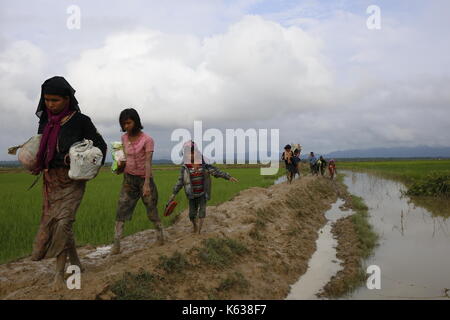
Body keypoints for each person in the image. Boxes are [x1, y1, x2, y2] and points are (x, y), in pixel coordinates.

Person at [31, 76, 107, 290]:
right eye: (46, 100)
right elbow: (40, 146)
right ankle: (76, 263)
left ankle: (58, 274)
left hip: (72, 180)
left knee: (63, 223)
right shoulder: (45, 121)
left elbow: (99, 147)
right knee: (58, 223)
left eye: (55, 100)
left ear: (67, 99)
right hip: (51, 180)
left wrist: (77, 156)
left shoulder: (82, 121)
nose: (50, 104)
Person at [111, 108, 163, 255]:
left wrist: (146, 184)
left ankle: (160, 234)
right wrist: (118, 166)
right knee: (121, 209)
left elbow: (148, 162)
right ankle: (116, 244)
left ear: (136, 122)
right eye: (123, 124)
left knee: (151, 209)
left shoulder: (147, 140)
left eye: (128, 123)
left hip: (144, 179)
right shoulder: (124, 139)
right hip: (129, 179)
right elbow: (123, 158)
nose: (126, 126)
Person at [167, 141, 238, 234]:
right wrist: (173, 193)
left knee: (202, 213)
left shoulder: (204, 165)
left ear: (197, 152)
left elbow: (216, 172)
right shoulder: (184, 168)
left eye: (192, 152)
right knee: (192, 215)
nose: (190, 155)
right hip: (191, 195)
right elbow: (180, 181)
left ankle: (199, 232)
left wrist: (228, 177)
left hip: (202, 193)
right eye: (188, 153)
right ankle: (195, 226)